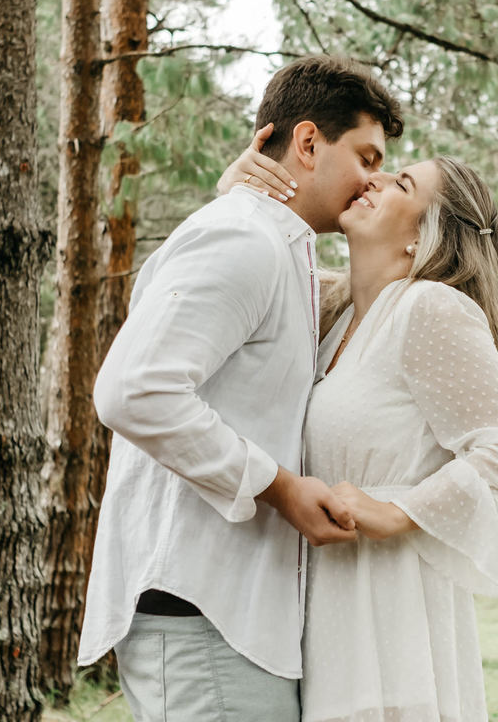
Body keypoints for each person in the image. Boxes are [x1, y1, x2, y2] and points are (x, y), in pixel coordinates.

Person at [78, 55, 405, 722]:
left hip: (233, 618)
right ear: (309, 142)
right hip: (203, 613)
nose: (374, 182)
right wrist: (279, 487)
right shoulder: (242, 238)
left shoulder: (272, 241)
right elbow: (132, 390)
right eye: (366, 158)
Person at [221, 140, 498, 721]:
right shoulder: (333, 315)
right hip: (326, 613)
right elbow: (245, 273)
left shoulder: (428, 310)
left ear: (425, 236)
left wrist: (400, 511)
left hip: (392, 612)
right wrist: (237, 195)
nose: (375, 179)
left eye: (401, 184)